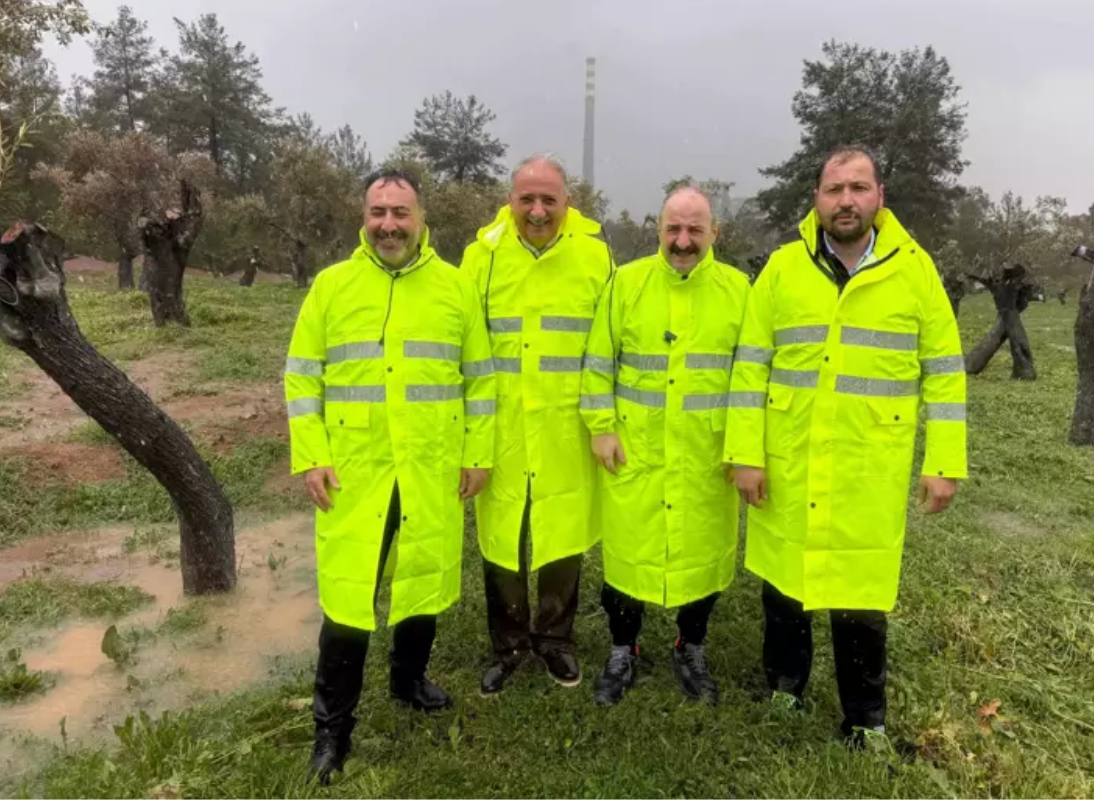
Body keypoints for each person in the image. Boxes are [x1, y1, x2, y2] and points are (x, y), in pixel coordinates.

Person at [725, 145, 967, 747]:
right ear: (817, 199)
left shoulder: (914, 271)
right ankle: (785, 684)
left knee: (860, 596)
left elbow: (944, 370)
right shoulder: (781, 269)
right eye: (835, 190)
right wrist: (746, 454)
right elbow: (750, 367)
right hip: (789, 458)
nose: (846, 201)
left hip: (867, 465)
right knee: (784, 585)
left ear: (879, 196)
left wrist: (943, 463)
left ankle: (864, 717)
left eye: (859, 188)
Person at [284, 168, 496, 784]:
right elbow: (302, 375)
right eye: (379, 212)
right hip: (357, 470)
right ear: (364, 216)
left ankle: (409, 681)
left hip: (429, 463)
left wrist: (477, 453)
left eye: (400, 212)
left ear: (421, 218)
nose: (389, 224)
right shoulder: (331, 286)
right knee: (350, 596)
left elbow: (479, 378)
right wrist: (312, 453)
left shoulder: (455, 290)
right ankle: (332, 729)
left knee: (423, 577)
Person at [580, 186, 749, 706]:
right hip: (638, 451)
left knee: (703, 561)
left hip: (704, 456)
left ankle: (689, 645)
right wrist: (601, 426)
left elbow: (751, 377)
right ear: (658, 230)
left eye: (695, 230)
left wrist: (743, 448)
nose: (682, 241)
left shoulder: (739, 291)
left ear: (714, 233)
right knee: (628, 559)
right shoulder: (626, 284)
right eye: (673, 229)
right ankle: (622, 647)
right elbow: (598, 362)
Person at [460, 154, 613, 693]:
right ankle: (508, 644)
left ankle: (555, 640)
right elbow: (466, 348)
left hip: (565, 426)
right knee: (501, 540)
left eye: (549, 198)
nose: (538, 210)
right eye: (527, 198)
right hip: (500, 426)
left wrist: (601, 420)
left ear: (568, 202)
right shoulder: (481, 258)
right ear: (510, 200)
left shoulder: (595, 259)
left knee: (561, 537)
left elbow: (605, 346)